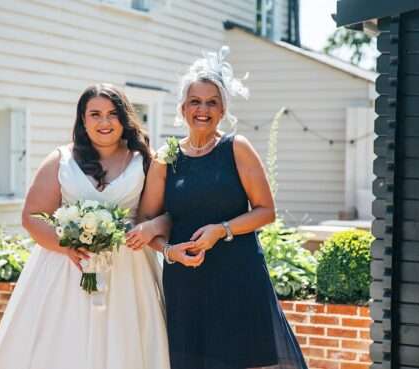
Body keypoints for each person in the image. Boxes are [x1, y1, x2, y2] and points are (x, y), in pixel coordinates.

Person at [128, 47, 308, 369]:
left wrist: (220, 230)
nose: (203, 109)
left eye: (212, 102)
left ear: (223, 109)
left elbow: (266, 211)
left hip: (237, 273)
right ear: (183, 108)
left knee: (241, 359)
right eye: (195, 101)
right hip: (186, 280)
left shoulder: (236, 148)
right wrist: (169, 252)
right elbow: (147, 220)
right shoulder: (165, 159)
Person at [0, 84, 170, 369]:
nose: (104, 122)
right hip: (67, 269)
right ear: (82, 120)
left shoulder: (146, 160)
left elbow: (166, 216)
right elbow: (31, 216)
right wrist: (67, 245)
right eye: (94, 114)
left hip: (129, 273)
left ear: (124, 118)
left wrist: (148, 229)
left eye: (112, 114)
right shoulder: (61, 159)